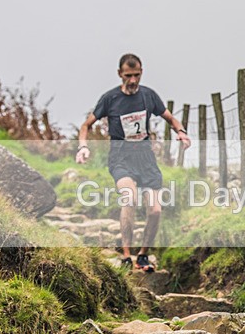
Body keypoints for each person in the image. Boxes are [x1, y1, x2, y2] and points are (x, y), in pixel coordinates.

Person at [76, 53, 191, 271]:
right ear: (120, 74)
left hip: (145, 159)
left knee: (155, 210)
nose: (133, 80)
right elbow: (86, 125)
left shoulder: (149, 96)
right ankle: (127, 255)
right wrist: (83, 146)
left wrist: (182, 132)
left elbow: (171, 118)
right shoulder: (110, 99)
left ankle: (143, 255)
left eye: (136, 75)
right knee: (129, 198)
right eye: (128, 76)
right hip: (121, 158)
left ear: (141, 73)